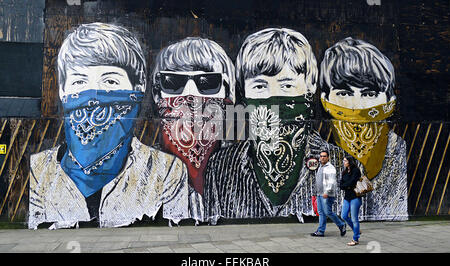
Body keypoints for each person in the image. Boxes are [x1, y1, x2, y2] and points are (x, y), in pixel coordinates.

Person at [29, 22, 199, 229]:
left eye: (110, 82)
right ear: (63, 91)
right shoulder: (39, 170)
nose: (94, 95)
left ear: (138, 89)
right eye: (79, 82)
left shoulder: (165, 170)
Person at [203, 28, 345, 224]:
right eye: (260, 86)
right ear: (244, 93)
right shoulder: (221, 167)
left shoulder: (341, 163)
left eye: (287, 85)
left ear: (310, 88)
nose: (273, 99)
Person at [319, 37, 408, 221]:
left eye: (369, 94)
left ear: (389, 100)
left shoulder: (398, 147)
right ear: (325, 99)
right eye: (344, 93)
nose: (356, 104)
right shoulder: (320, 146)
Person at [151, 37, 235, 199]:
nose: (191, 94)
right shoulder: (143, 167)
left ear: (227, 92)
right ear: (157, 94)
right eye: (173, 82)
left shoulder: (241, 166)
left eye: (207, 83)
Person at [311, 150, 346, 237]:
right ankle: (320, 231)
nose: (322, 158)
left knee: (328, 212)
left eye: (324, 156)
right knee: (321, 212)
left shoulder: (330, 168)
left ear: (328, 157)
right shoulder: (320, 166)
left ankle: (341, 225)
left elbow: (331, 181)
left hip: (327, 194)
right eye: (321, 156)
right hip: (319, 194)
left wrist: (326, 192)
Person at [340, 156, 362, 246]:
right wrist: (347, 185)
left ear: (349, 162)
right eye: (343, 160)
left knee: (354, 218)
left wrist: (347, 185)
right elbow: (341, 185)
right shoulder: (344, 172)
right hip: (347, 197)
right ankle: (356, 230)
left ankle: (355, 239)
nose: (344, 162)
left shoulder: (356, 171)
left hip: (355, 197)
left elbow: (352, 182)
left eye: (345, 160)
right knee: (344, 215)